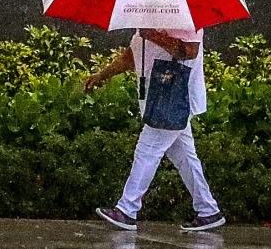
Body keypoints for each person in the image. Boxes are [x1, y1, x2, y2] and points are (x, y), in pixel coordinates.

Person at [83, 27, 225, 232]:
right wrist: (101, 75)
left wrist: (154, 36)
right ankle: (208, 210)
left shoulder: (184, 17)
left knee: (147, 149)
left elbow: (189, 51)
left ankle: (127, 209)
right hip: (159, 96)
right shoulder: (147, 16)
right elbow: (131, 56)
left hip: (174, 97)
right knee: (184, 156)